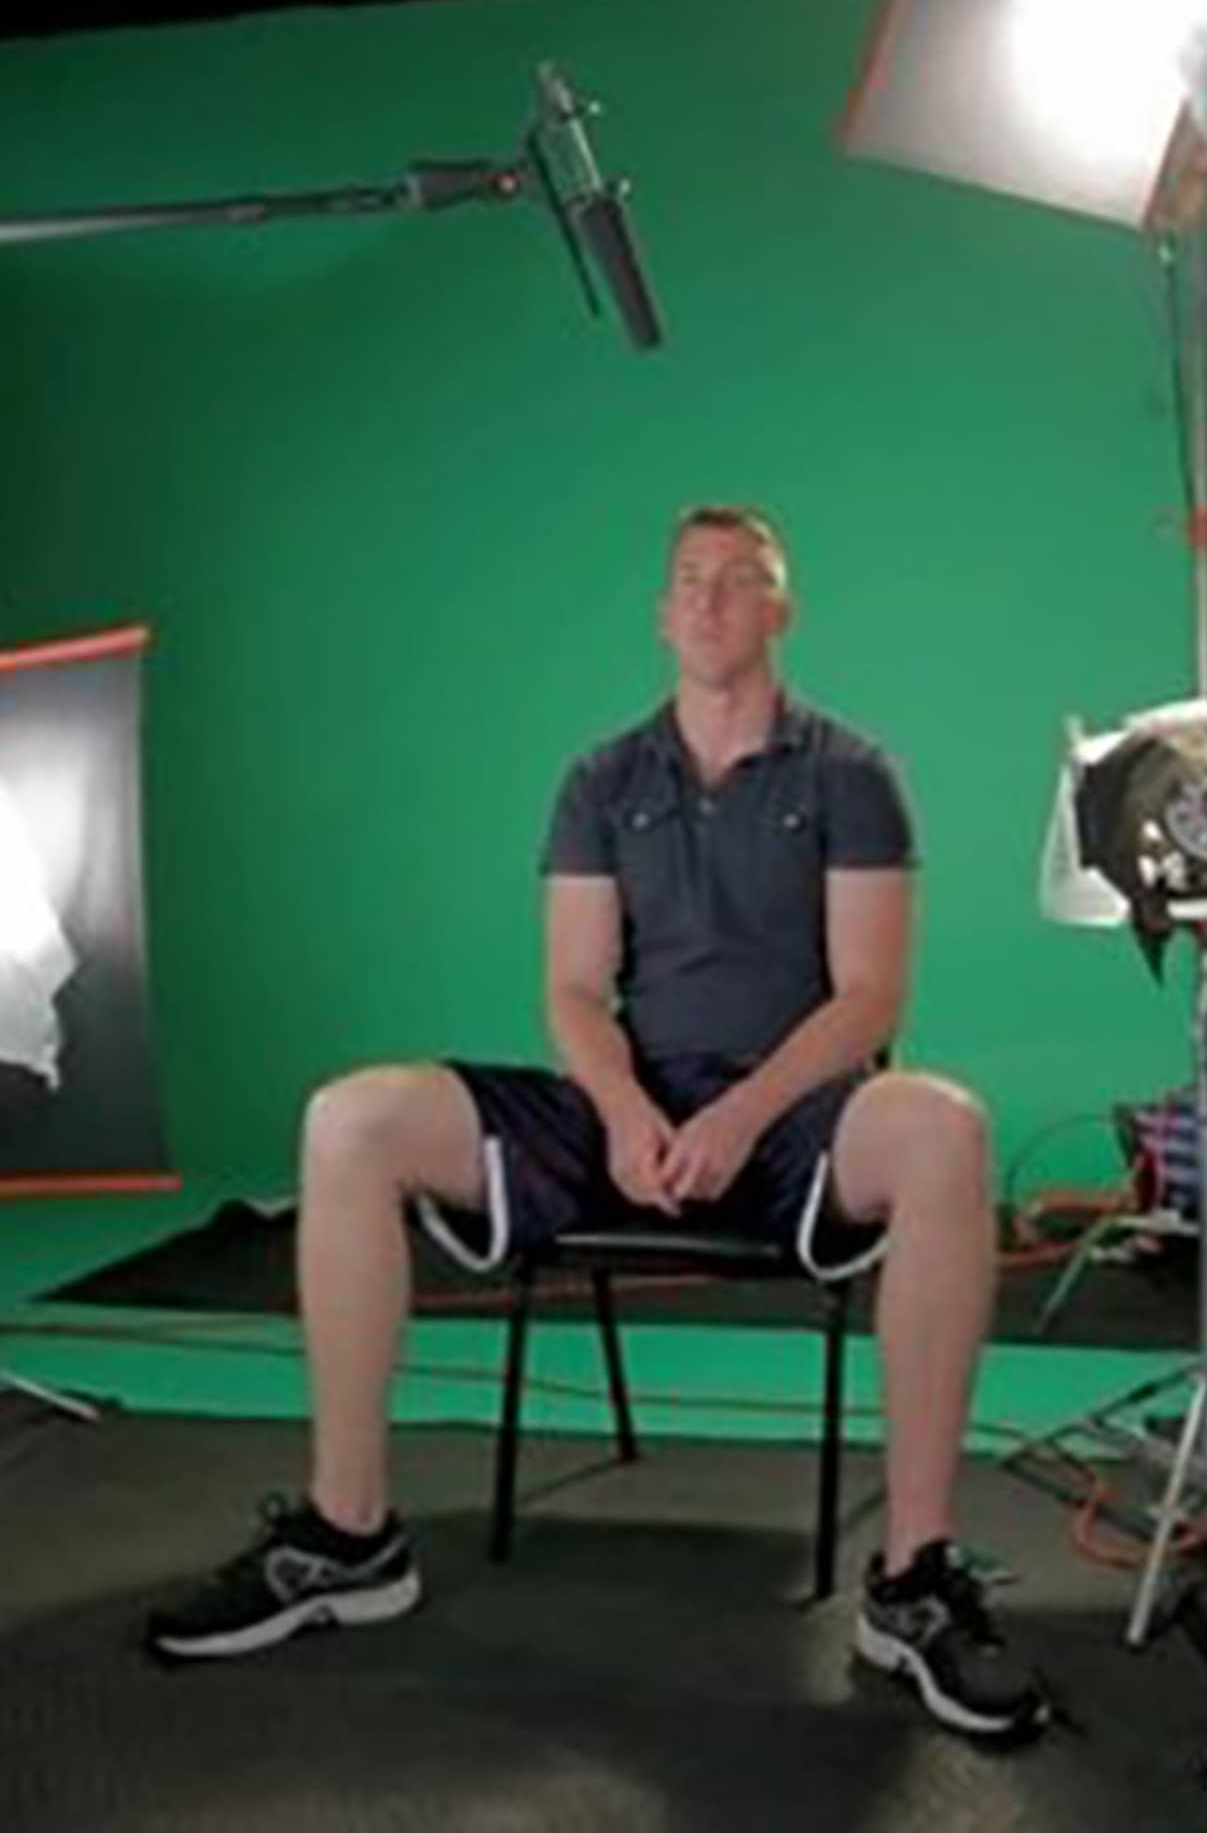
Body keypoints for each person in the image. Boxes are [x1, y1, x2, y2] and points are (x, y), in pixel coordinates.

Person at [145, 506, 1049, 1742]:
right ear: (663, 612)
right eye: (692, 582)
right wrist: (625, 1109)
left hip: (794, 1117)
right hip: (624, 1109)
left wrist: (739, 1113)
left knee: (947, 1124)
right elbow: (574, 987)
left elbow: (870, 995)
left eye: (742, 582)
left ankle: (914, 1580)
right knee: (349, 1119)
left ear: (780, 609)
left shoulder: (851, 771)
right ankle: (349, 1535)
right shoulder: (601, 778)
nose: (714, 601)